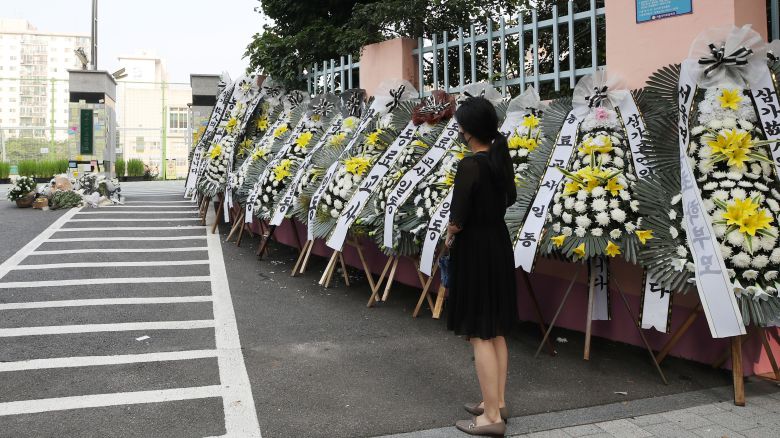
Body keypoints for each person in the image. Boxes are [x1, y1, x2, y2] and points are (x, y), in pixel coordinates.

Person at [446, 96, 519, 437]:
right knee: (496, 330)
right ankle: (498, 401)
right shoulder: (499, 159)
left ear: (468, 130)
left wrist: (448, 236)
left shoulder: (470, 165)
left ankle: (491, 418)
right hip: (498, 245)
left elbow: (457, 219)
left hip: (475, 249)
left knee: (480, 334)